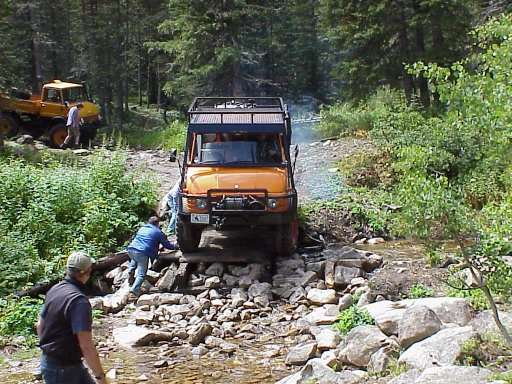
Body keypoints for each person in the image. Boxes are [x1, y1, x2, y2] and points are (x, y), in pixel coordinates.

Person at [37, 251, 108, 384]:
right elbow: (86, 345)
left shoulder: (55, 289)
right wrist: (100, 377)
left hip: (55, 363)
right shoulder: (78, 301)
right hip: (64, 370)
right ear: (86, 272)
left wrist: (49, 351)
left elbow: (40, 324)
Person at [127, 216, 177, 298]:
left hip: (131, 249)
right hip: (143, 252)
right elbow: (167, 245)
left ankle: (131, 271)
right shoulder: (158, 232)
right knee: (141, 274)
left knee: (135, 258)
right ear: (157, 223)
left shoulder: (142, 228)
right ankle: (134, 291)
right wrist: (175, 246)